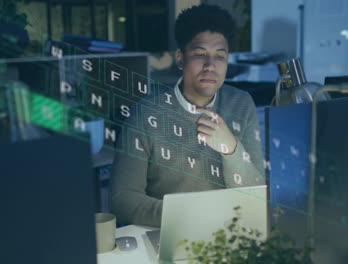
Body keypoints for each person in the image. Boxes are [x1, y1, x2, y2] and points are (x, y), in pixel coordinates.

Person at [110, 4, 265, 227]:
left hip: (229, 233)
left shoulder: (241, 103)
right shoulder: (146, 112)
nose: (210, 66)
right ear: (180, 59)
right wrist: (187, 217)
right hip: (169, 231)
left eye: (220, 56)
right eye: (200, 54)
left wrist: (231, 148)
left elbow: (256, 193)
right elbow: (121, 199)